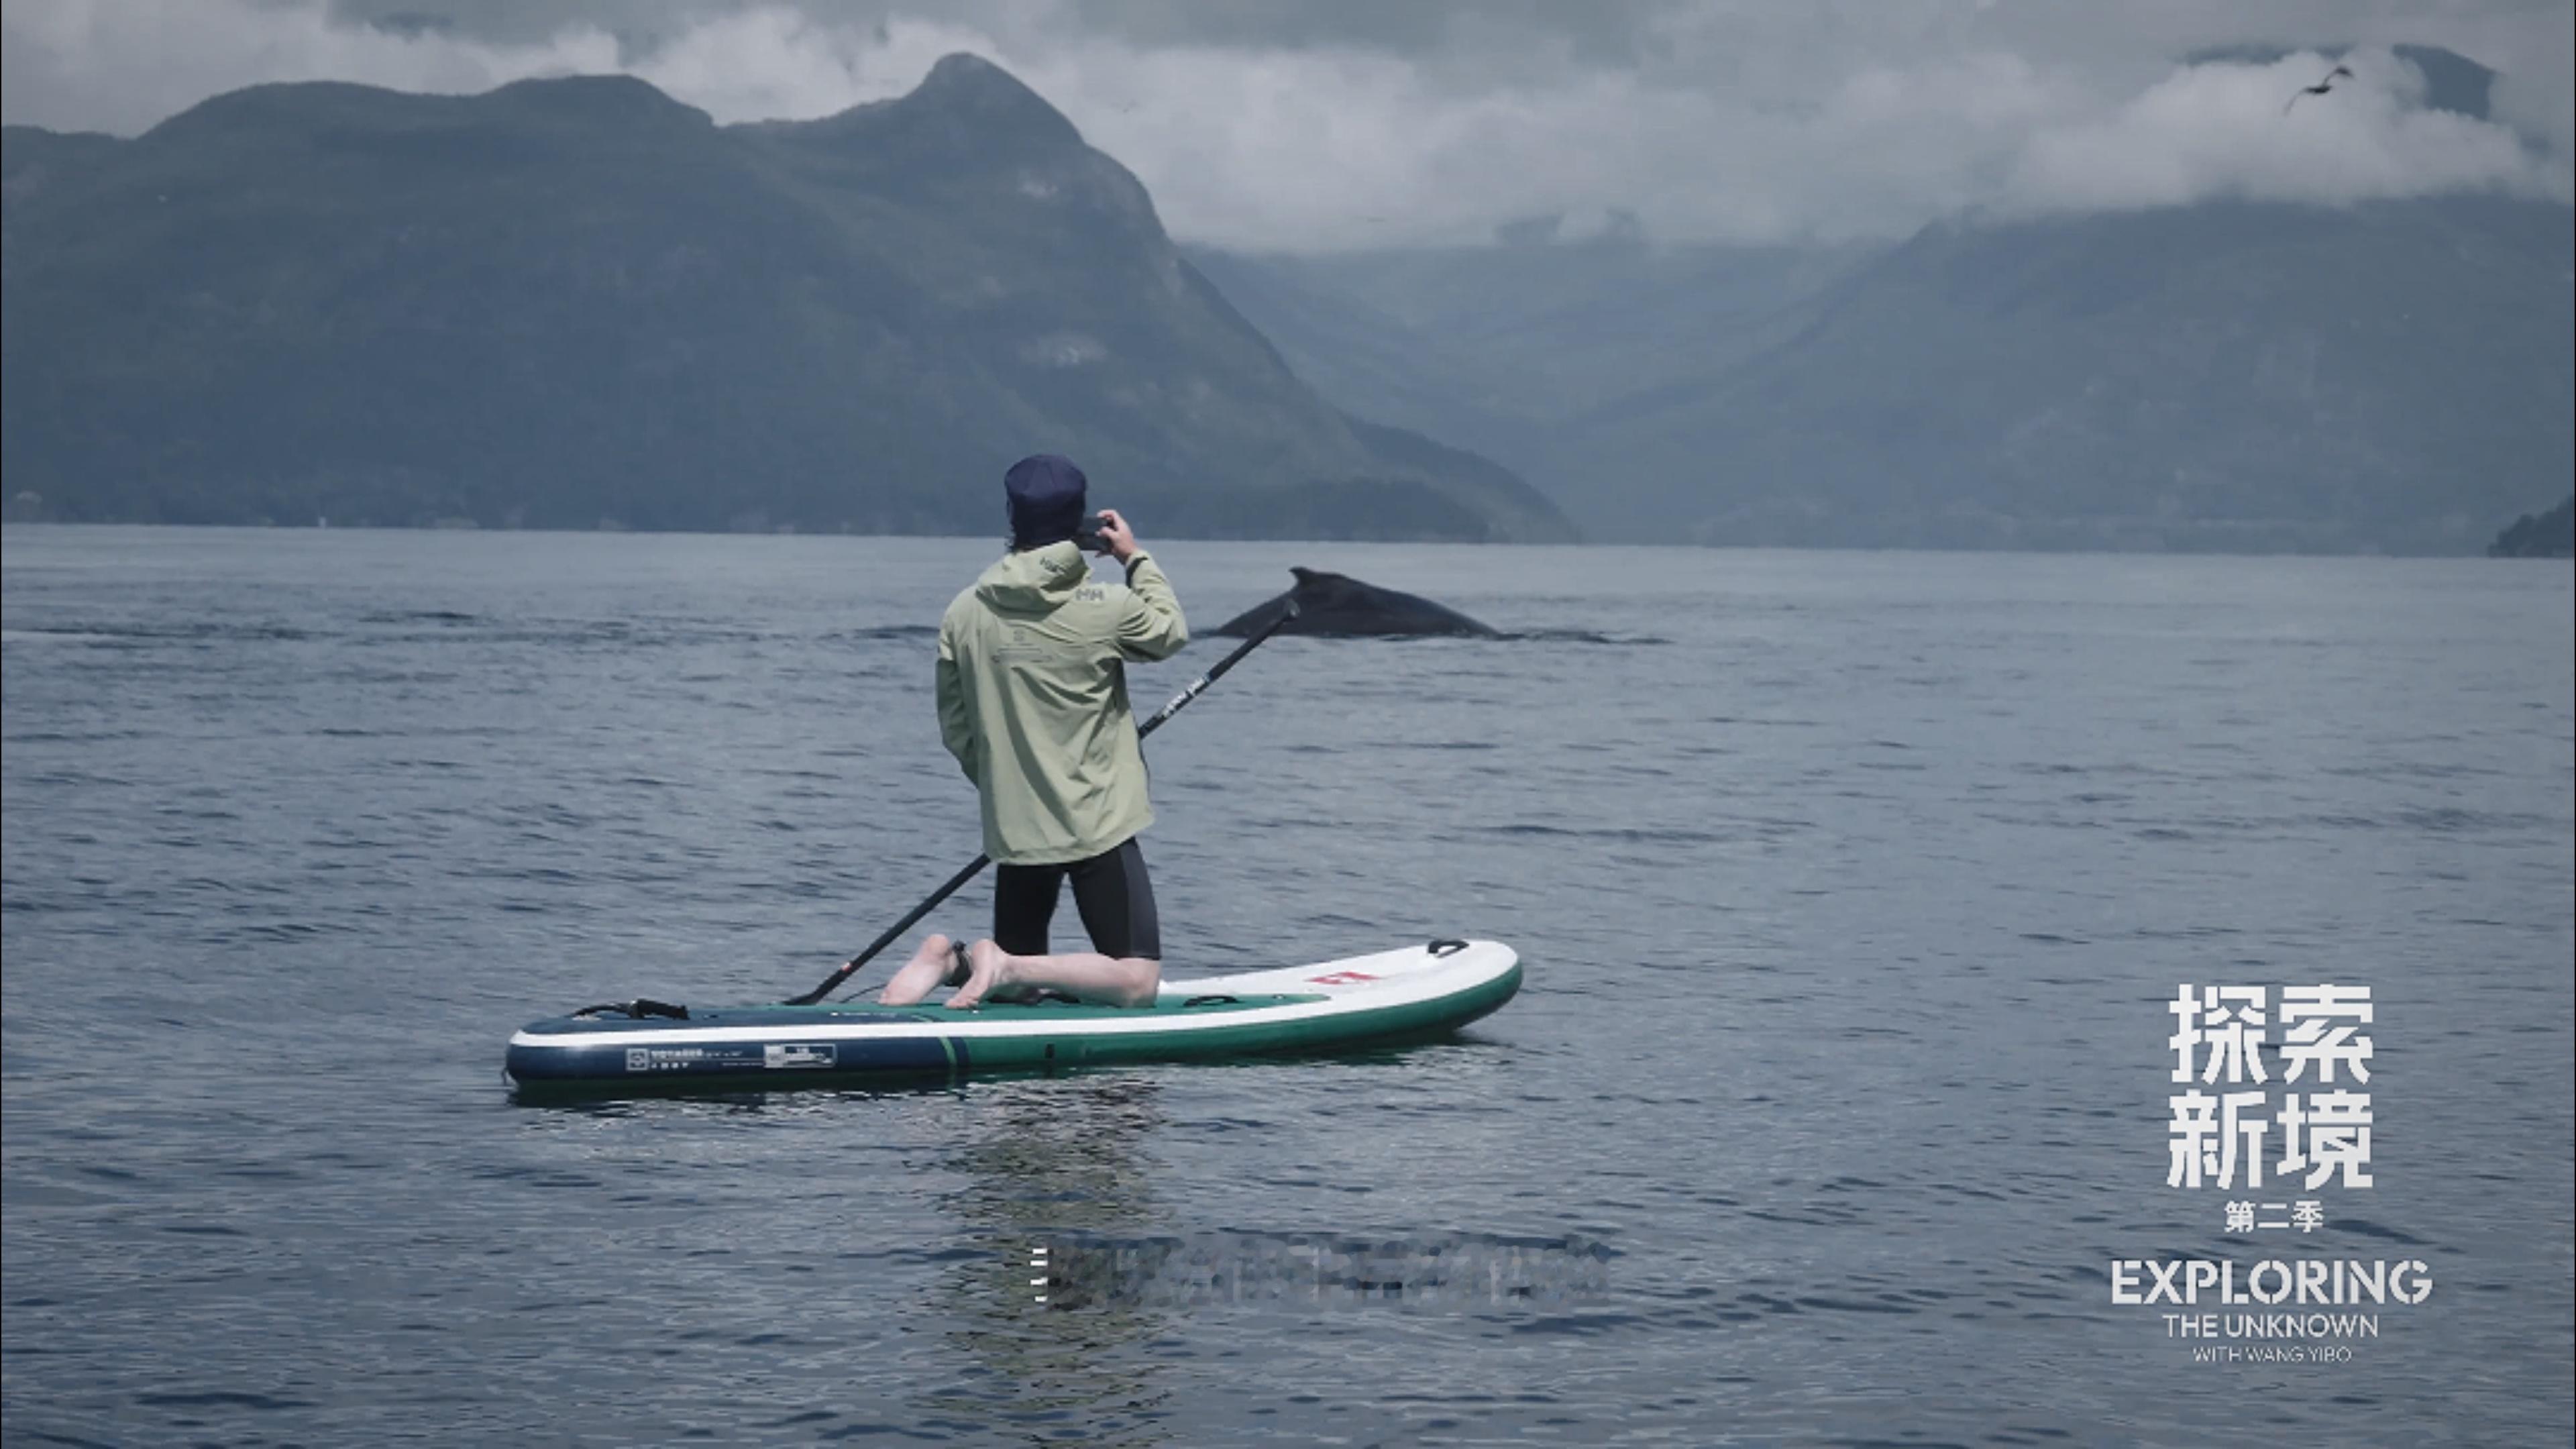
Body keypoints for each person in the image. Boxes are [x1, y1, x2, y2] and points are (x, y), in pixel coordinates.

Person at [878, 454, 1189, 1010]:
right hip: (1099, 819)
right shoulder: (1109, 606)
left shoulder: (964, 611)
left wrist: (1004, 782)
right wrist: (1135, 559)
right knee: (1137, 981)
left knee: (1017, 998)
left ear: (1013, 519)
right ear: (1081, 523)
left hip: (1015, 822)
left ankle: (955, 962)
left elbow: (957, 727)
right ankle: (1001, 963)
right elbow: (1169, 632)